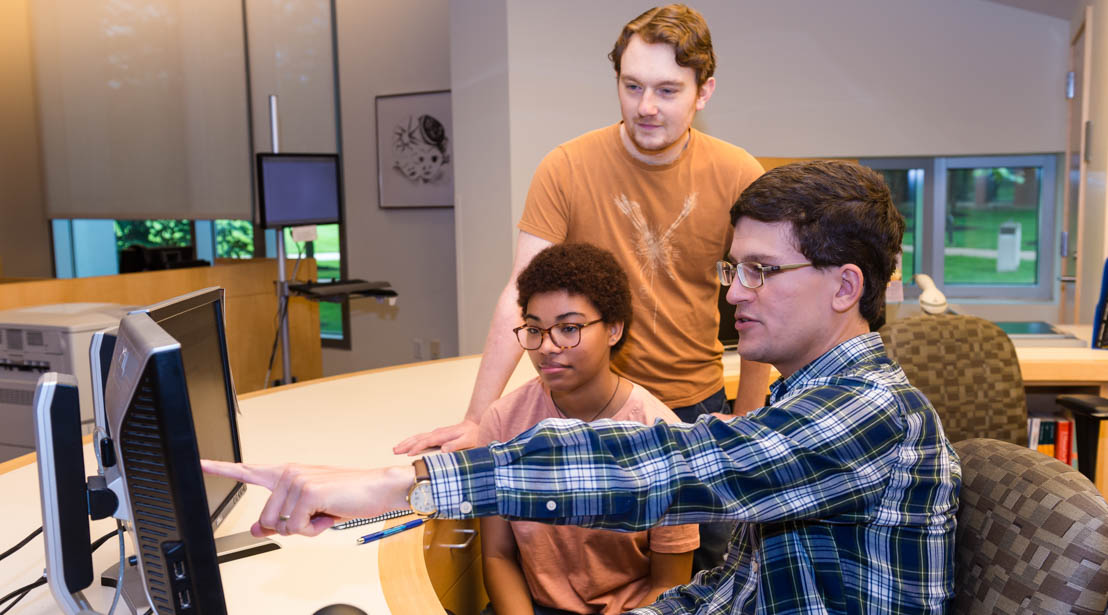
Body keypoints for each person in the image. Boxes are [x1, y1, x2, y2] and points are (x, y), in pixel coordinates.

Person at [206, 161, 961, 614]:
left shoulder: (872, 412)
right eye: (735, 269)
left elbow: (657, 468)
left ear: (845, 286)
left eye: (761, 270)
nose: (734, 293)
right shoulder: (803, 400)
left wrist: (393, 483)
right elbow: (734, 587)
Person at [393, 3, 771, 458]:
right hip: (584, 409)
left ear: (703, 91)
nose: (646, 107)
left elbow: (760, 298)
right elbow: (520, 290)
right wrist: (478, 419)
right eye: (632, 87)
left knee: (693, 533)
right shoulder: (565, 168)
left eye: (668, 90)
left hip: (695, 409)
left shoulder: (739, 174)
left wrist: (750, 414)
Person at [480, 243, 697, 615]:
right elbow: (498, 556)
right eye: (534, 329)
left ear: (613, 329)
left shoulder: (661, 435)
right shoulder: (504, 422)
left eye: (568, 328)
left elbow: (668, 583)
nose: (547, 347)